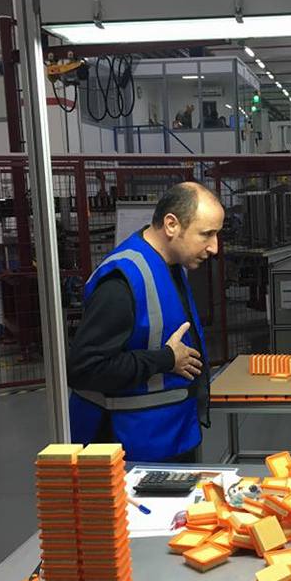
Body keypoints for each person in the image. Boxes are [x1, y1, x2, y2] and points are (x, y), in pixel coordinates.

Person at [67, 182, 224, 462]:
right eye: (206, 234)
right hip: (128, 450)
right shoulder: (121, 282)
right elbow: (85, 369)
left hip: (168, 435)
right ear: (171, 225)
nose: (214, 247)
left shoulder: (169, 265)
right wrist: (165, 359)